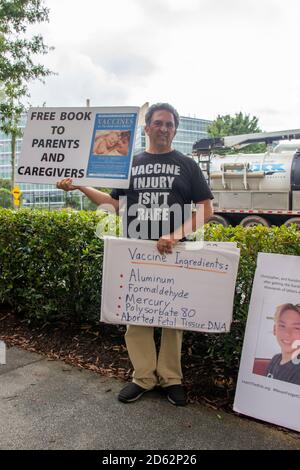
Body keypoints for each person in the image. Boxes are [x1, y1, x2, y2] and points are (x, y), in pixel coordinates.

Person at [56, 102, 214, 406]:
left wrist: (175, 234)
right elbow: (114, 205)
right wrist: (80, 186)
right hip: (136, 253)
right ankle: (143, 377)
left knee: (172, 318)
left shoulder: (187, 165)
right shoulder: (131, 164)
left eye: (169, 124)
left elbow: (206, 209)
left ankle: (171, 378)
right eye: (158, 123)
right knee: (136, 317)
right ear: (147, 128)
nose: (164, 128)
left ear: (175, 129)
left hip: (174, 252)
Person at [265, 303, 300, 385]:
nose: (287, 333)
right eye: (282, 326)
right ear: (274, 329)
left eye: (296, 328)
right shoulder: (275, 359)